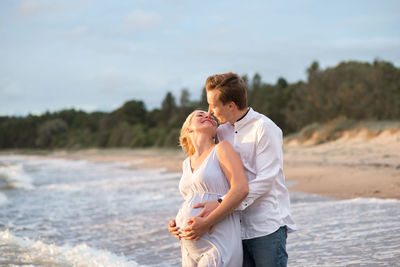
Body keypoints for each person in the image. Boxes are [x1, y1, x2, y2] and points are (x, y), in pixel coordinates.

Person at [169, 72, 296, 267]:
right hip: (231, 230)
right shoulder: (221, 132)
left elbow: (265, 180)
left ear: (230, 106)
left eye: (213, 104)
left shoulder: (264, 128)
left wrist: (220, 204)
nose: (209, 111)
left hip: (264, 225)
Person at [171, 109, 249, 266]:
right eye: (200, 115)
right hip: (189, 246)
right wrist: (177, 222)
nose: (208, 115)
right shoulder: (186, 163)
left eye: (211, 116)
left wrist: (206, 222)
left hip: (218, 238)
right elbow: (192, 200)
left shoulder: (222, 149)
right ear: (188, 128)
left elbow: (241, 189)